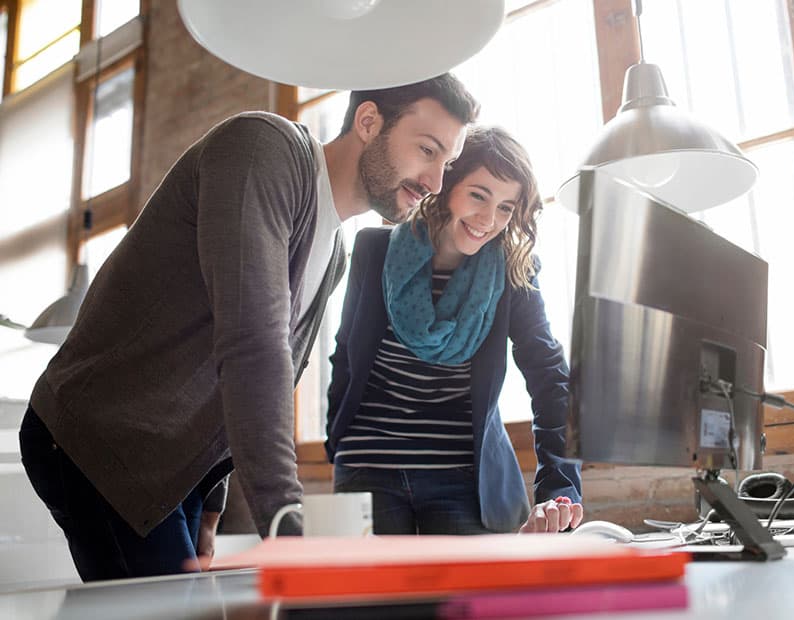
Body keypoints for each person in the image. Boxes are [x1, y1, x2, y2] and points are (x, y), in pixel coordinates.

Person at [18, 74, 479, 581]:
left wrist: (210, 497)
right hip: (99, 438)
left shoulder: (334, 255)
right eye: (428, 150)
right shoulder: (262, 149)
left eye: (447, 163)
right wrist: (284, 520)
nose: (437, 182)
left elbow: (230, 372)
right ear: (368, 122)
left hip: (174, 470)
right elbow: (252, 345)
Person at [326, 126, 583, 535]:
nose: (488, 220)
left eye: (505, 207)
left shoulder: (514, 274)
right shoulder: (374, 252)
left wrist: (559, 488)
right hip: (368, 468)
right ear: (446, 183)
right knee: (372, 600)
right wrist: (335, 441)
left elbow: (551, 379)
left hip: (465, 479)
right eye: (478, 195)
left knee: (466, 600)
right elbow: (346, 355)